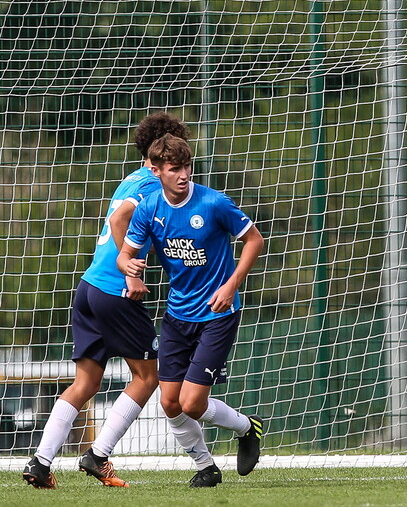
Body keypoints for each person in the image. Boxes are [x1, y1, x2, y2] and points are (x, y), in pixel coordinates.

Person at [22, 112, 189, 490]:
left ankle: (40, 461)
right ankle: (97, 456)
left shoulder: (133, 176)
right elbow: (118, 220)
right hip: (116, 291)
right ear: (163, 153)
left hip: (88, 289)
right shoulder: (151, 184)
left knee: (86, 382)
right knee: (149, 377)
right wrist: (131, 272)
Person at [117, 134, 265, 488]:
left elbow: (255, 240)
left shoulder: (214, 203)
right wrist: (130, 269)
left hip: (217, 314)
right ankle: (206, 466)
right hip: (176, 316)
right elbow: (125, 253)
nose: (183, 175)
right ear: (157, 172)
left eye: (187, 167)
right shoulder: (150, 208)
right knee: (170, 403)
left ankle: (248, 428)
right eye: (174, 169)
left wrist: (231, 285)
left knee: (192, 403)